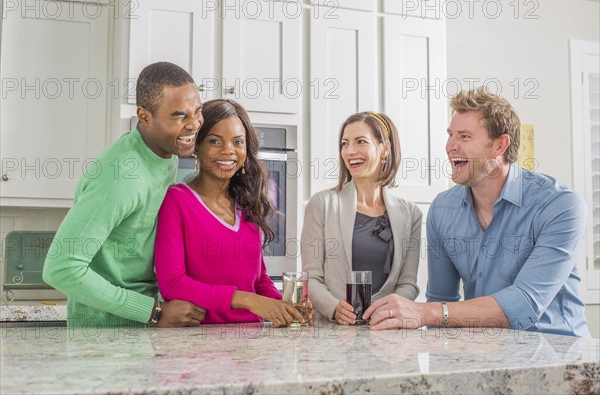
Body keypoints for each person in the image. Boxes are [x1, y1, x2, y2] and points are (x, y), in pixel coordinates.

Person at [364, 87, 590, 337]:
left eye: (465, 137)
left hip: (562, 357)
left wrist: (426, 312)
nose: (450, 146)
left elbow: (524, 303)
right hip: (486, 354)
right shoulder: (442, 209)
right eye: (450, 135)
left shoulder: (560, 205)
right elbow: (440, 300)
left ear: (499, 145)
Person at [43, 62, 206, 328]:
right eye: (180, 116)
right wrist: (153, 311)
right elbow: (61, 268)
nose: (194, 124)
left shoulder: (165, 154)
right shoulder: (119, 176)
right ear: (144, 116)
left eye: (197, 111)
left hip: (139, 332)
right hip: (104, 340)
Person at [154, 99, 309, 327]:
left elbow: (258, 281)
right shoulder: (176, 201)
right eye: (215, 141)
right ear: (197, 146)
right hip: (197, 344)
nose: (228, 151)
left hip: (251, 345)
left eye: (238, 142)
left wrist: (285, 308)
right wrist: (247, 300)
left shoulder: (246, 204)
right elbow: (173, 283)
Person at [301, 111, 422, 324]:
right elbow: (312, 278)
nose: (350, 151)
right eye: (345, 143)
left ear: (385, 149)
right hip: (334, 335)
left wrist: (384, 310)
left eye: (360, 142)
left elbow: (408, 284)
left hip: (387, 333)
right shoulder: (322, 204)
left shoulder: (411, 214)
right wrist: (334, 308)